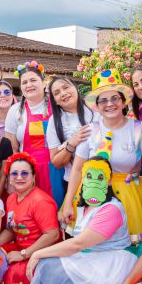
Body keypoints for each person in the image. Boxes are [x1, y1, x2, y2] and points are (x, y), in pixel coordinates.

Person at [25, 157, 136, 284]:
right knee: (55, 261)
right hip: (94, 257)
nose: (93, 181)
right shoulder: (86, 206)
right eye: (88, 176)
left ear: (109, 180)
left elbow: (79, 243)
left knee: (50, 264)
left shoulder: (111, 209)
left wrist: (37, 253)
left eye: (100, 177)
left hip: (111, 264)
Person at [62, 70, 142, 239]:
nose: (109, 104)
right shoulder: (89, 131)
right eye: (103, 100)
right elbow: (78, 170)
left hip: (129, 198)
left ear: (123, 101)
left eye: (114, 98)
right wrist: (67, 203)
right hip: (92, 193)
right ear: (97, 106)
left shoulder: (139, 129)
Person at [0, 153, 60, 284]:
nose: (19, 177)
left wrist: (23, 254)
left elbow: (53, 235)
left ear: (33, 176)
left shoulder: (41, 201)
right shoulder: (11, 198)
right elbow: (10, 230)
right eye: (14, 174)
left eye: (24, 173)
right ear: (9, 178)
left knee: (14, 271)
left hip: (41, 253)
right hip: (20, 248)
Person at [5, 61, 57, 197]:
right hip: (26, 174)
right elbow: (13, 150)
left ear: (44, 83)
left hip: (56, 171)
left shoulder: (57, 107)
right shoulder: (15, 111)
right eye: (24, 82)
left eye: (33, 80)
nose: (29, 85)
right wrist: (12, 179)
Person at [46, 76, 98, 205]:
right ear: (55, 101)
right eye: (57, 93)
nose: (63, 93)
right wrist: (72, 143)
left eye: (66, 87)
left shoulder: (96, 109)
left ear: (75, 88)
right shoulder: (55, 122)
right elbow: (56, 162)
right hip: (73, 184)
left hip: (103, 179)